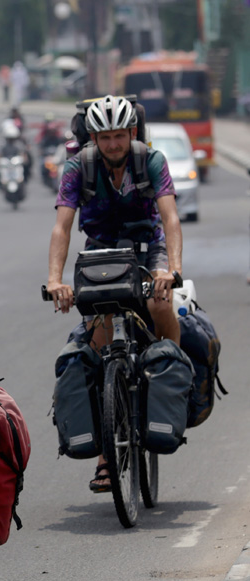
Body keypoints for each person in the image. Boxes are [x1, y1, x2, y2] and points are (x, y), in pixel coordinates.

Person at [46, 94, 183, 493]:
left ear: (132, 133)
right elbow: (62, 227)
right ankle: (107, 453)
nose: (113, 144)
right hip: (101, 256)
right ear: (93, 137)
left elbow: (170, 217)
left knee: (159, 304)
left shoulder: (151, 162)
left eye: (119, 135)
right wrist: (56, 279)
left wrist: (171, 270)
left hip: (147, 248)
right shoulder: (78, 169)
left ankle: (169, 373)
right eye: (104, 137)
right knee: (101, 337)